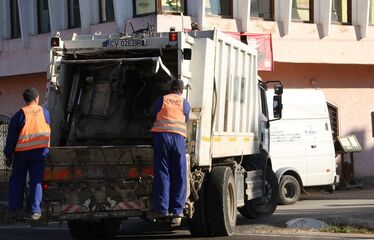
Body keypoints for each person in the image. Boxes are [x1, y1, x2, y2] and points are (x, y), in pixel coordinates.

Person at [3, 87, 51, 221]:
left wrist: (8, 155)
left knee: (17, 180)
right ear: (36, 99)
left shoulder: (19, 115)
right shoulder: (45, 112)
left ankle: (14, 209)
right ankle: (35, 211)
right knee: (36, 181)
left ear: (25, 100)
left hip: (22, 154)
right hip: (40, 153)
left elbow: (11, 138)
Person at [150, 79, 190, 221]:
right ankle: (177, 209)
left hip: (161, 138)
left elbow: (153, 114)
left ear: (170, 89)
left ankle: (162, 209)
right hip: (178, 139)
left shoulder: (162, 99)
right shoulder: (185, 103)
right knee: (179, 173)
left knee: (162, 173)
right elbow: (185, 119)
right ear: (182, 90)